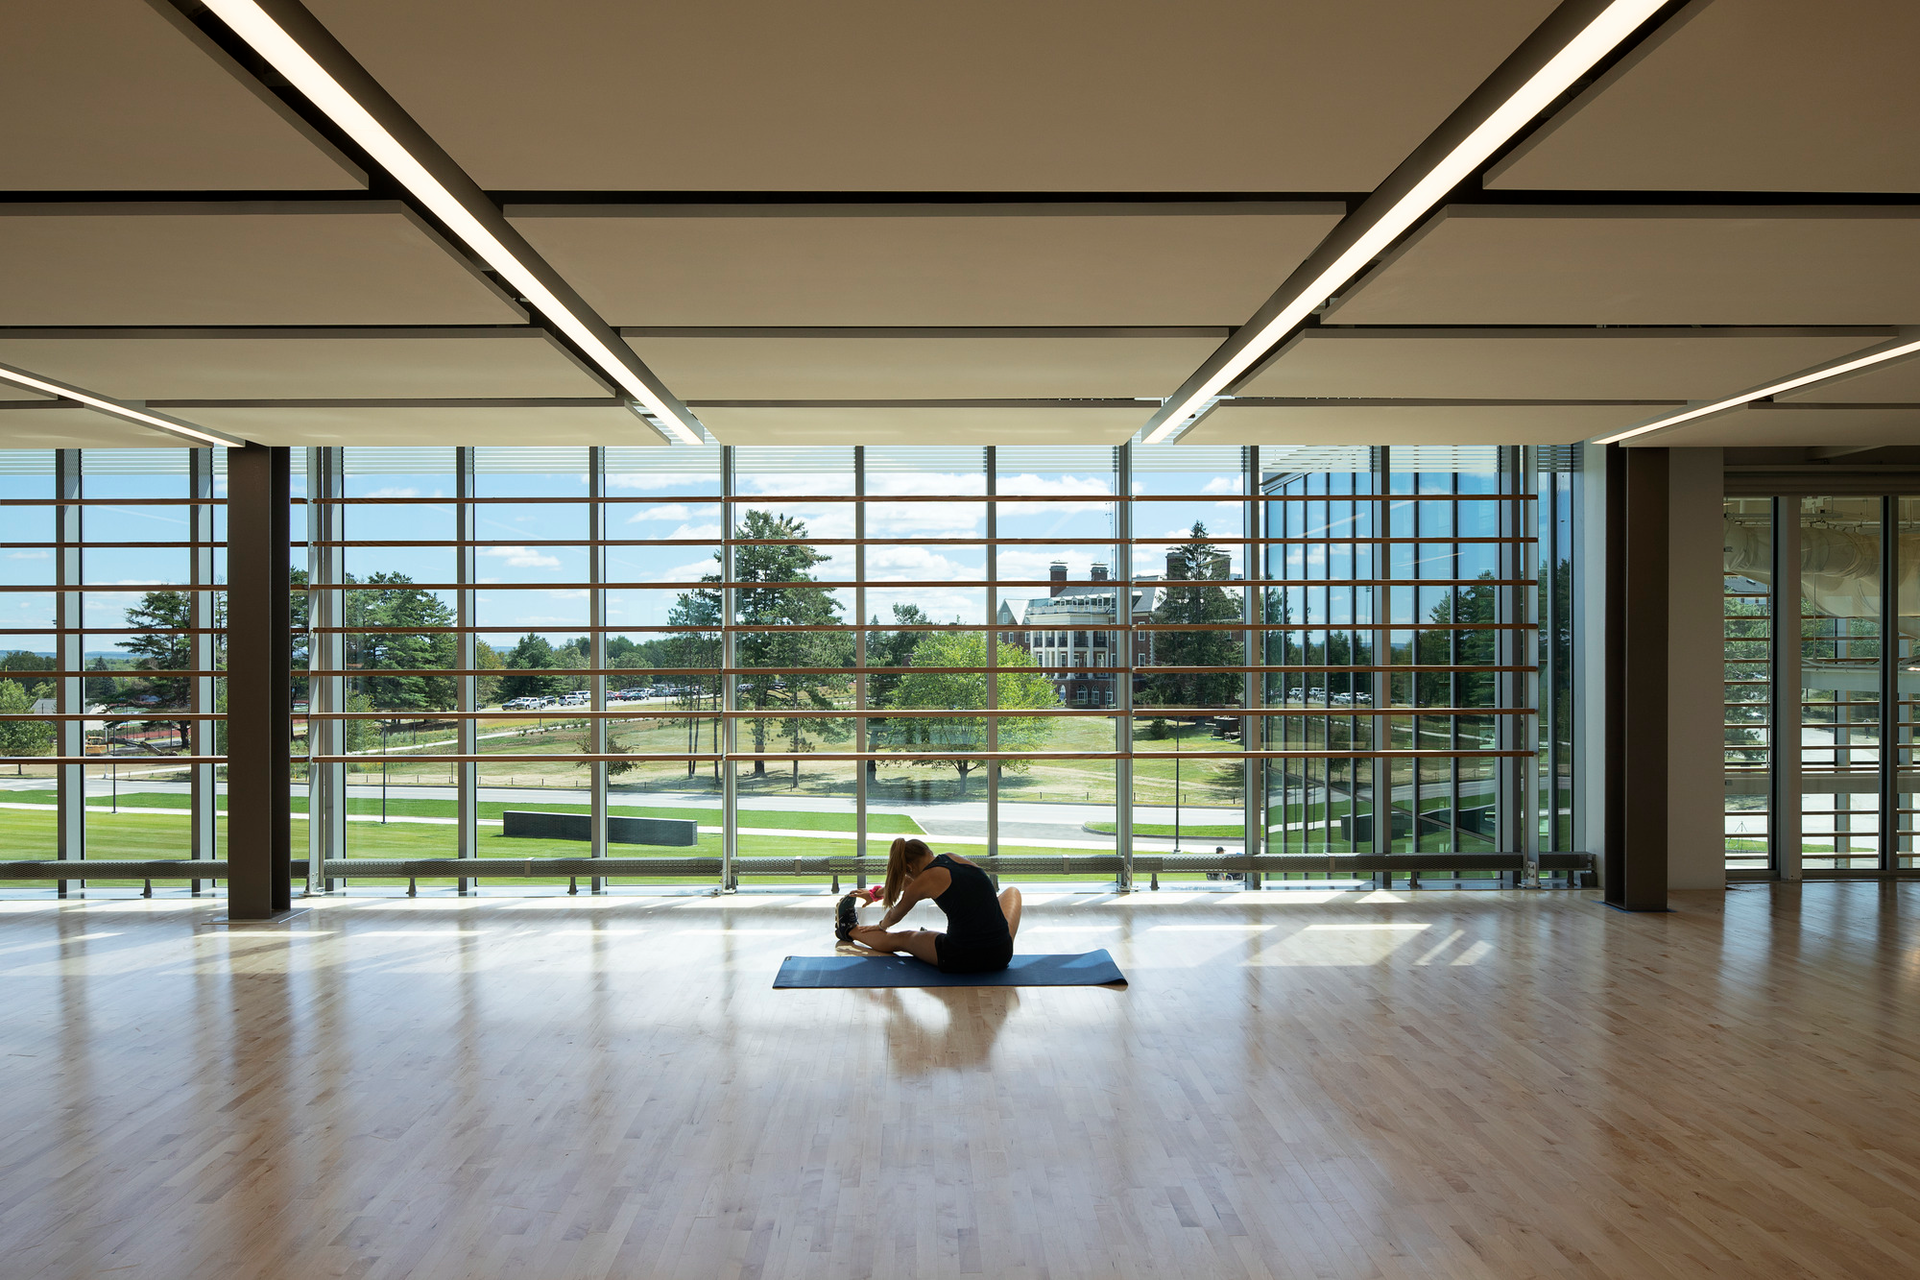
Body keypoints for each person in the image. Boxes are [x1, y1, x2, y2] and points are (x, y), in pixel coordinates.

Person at [843, 837, 1021, 974]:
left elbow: (894, 915)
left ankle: (849, 929)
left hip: (961, 957)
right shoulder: (953, 858)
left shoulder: (924, 881)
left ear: (909, 867)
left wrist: (881, 925)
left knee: (902, 938)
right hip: (1001, 953)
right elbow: (907, 883)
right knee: (1011, 891)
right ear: (927, 851)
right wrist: (875, 894)